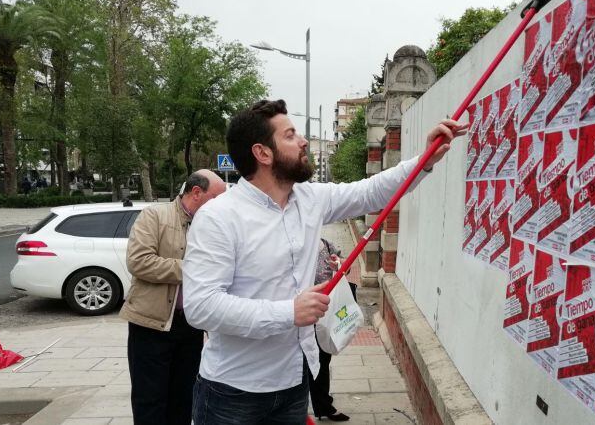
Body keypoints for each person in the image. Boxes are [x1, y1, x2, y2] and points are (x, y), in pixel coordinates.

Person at [183, 99, 463, 425]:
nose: (303, 141)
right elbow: (201, 306)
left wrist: (425, 159)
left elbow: (370, 192)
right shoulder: (218, 217)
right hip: (232, 394)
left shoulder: (309, 199)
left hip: (294, 383)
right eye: (290, 136)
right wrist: (289, 312)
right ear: (263, 153)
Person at [120, 169, 225, 425]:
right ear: (196, 192)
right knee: (150, 400)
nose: (222, 205)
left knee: (184, 398)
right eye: (216, 198)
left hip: (191, 325)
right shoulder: (155, 215)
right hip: (151, 324)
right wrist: (192, 270)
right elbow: (139, 261)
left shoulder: (213, 225)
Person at [309, 238, 350, 422]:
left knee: (323, 357)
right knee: (312, 361)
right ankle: (321, 405)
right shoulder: (296, 246)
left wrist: (339, 264)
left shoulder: (325, 244)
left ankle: (322, 404)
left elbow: (345, 266)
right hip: (305, 311)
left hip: (327, 310)